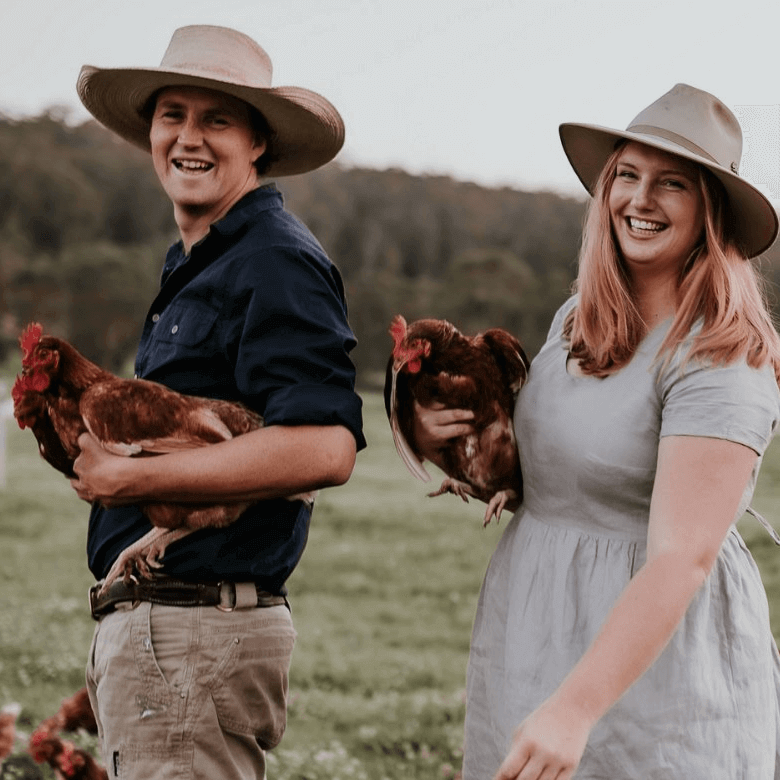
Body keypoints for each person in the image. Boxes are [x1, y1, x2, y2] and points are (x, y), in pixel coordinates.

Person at [414, 83, 780, 779]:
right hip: (535, 627)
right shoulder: (576, 320)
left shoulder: (719, 356)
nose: (640, 201)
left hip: (652, 664)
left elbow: (683, 558)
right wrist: (457, 443)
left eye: (671, 183)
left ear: (711, 212)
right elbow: (562, 474)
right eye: (628, 176)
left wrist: (576, 707)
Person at [69, 25, 365, 780]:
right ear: (150, 132)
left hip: (198, 626)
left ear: (257, 141)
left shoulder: (273, 260)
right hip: (172, 624)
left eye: (217, 119)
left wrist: (130, 481)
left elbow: (324, 446)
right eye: (173, 115)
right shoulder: (202, 261)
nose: (188, 138)